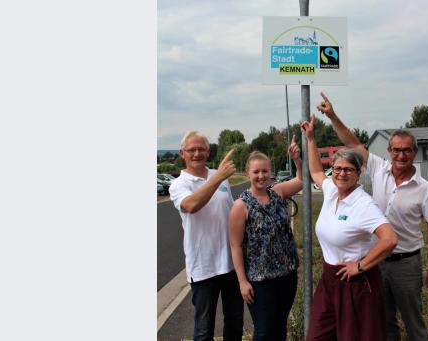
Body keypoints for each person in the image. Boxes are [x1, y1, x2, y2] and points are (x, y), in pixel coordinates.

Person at [317, 92, 428, 341]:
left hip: (406, 263)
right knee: (383, 322)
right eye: (396, 150)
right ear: (389, 151)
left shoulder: (426, 189)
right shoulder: (378, 168)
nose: (400, 156)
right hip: (374, 262)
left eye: (406, 151)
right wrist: (332, 116)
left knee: (413, 322)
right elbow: (352, 144)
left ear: (414, 152)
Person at [302, 116, 398, 341]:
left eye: (348, 169)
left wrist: (361, 266)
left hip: (355, 283)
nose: (341, 173)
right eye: (337, 169)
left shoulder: (363, 204)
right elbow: (316, 172)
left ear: (358, 173)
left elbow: (390, 239)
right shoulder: (331, 191)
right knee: (316, 336)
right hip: (329, 280)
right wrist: (310, 138)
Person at [169, 131, 243, 341]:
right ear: (182, 153)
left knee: (235, 321)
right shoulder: (179, 185)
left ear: (208, 152)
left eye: (201, 148)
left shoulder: (220, 178)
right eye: (191, 149)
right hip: (203, 268)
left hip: (230, 263)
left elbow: (230, 213)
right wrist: (218, 176)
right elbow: (191, 205)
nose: (197, 153)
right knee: (204, 329)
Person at [228, 137, 303, 341]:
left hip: (287, 276)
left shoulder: (277, 193)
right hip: (260, 281)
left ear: (271, 172)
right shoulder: (241, 206)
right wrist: (242, 281)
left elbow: (301, 180)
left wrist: (297, 160)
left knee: (280, 328)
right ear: (247, 174)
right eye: (256, 172)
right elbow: (235, 246)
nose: (261, 176)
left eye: (265, 171)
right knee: (263, 331)